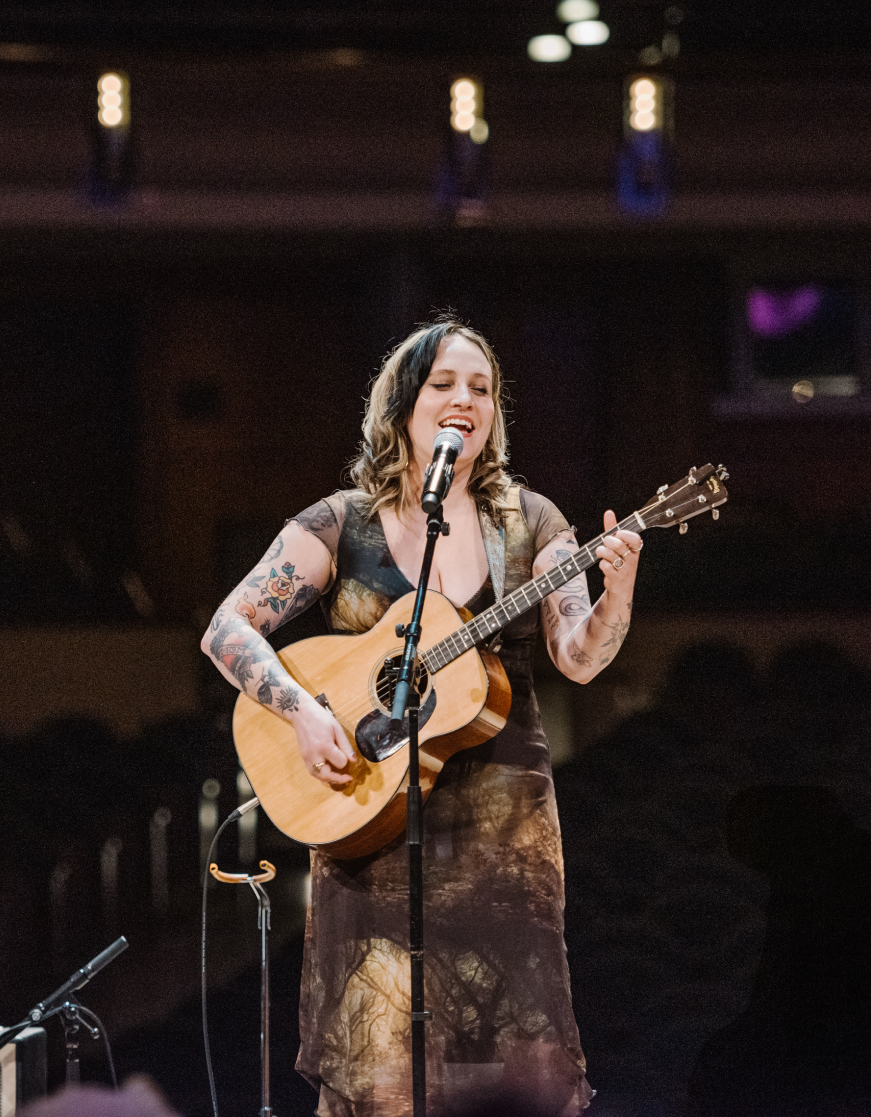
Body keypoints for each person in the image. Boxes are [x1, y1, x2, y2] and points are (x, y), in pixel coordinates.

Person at [202, 321, 643, 1116]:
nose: (464, 400)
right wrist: (302, 711)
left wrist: (617, 590)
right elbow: (227, 629)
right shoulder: (342, 522)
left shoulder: (533, 522)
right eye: (444, 383)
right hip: (372, 821)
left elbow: (579, 654)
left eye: (482, 388)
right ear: (403, 404)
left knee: (516, 1064)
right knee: (384, 1075)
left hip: (504, 841)